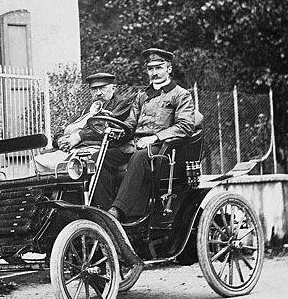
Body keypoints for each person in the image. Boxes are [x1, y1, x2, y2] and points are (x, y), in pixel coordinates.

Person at [93, 48, 197, 221]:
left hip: (164, 150)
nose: (154, 73)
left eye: (159, 68)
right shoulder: (142, 96)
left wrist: (155, 138)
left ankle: (118, 211)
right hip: (136, 145)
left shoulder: (181, 94)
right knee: (100, 157)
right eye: (150, 69)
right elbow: (130, 124)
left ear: (169, 69)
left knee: (140, 157)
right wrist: (114, 130)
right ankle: (102, 213)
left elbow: (185, 126)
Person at [35, 72, 132, 173]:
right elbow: (64, 128)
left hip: (95, 149)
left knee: (72, 166)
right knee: (39, 161)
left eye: (102, 88)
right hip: (71, 149)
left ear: (113, 88)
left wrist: (79, 136)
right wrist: (60, 140)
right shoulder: (87, 109)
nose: (98, 93)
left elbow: (107, 128)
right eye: (94, 89)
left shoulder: (121, 104)